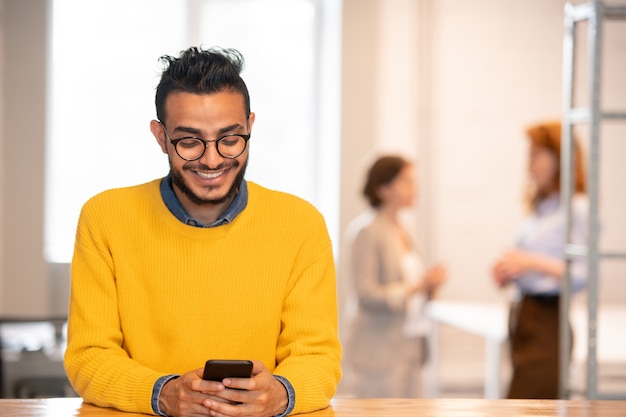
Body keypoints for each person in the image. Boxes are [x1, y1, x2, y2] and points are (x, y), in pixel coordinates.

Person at [63, 46, 342, 417]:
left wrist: (280, 394)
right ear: (161, 137)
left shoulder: (301, 224)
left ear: (250, 127)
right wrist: (163, 394)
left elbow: (318, 357)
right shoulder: (105, 218)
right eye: (190, 142)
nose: (212, 160)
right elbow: (88, 357)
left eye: (229, 139)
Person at [491, 120, 588, 399]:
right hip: (525, 314)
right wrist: (510, 269)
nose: (528, 166)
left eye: (535, 156)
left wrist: (530, 263)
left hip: (547, 318)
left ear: (560, 158)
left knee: (526, 406)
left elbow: (584, 275)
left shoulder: (577, 208)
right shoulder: (543, 208)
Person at [343, 155, 447, 398]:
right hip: (379, 351)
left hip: (410, 345)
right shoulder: (366, 231)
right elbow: (366, 294)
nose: (415, 188)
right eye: (406, 181)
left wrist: (430, 285)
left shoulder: (406, 229)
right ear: (383, 188)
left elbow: (416, 289)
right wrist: (417, 287)